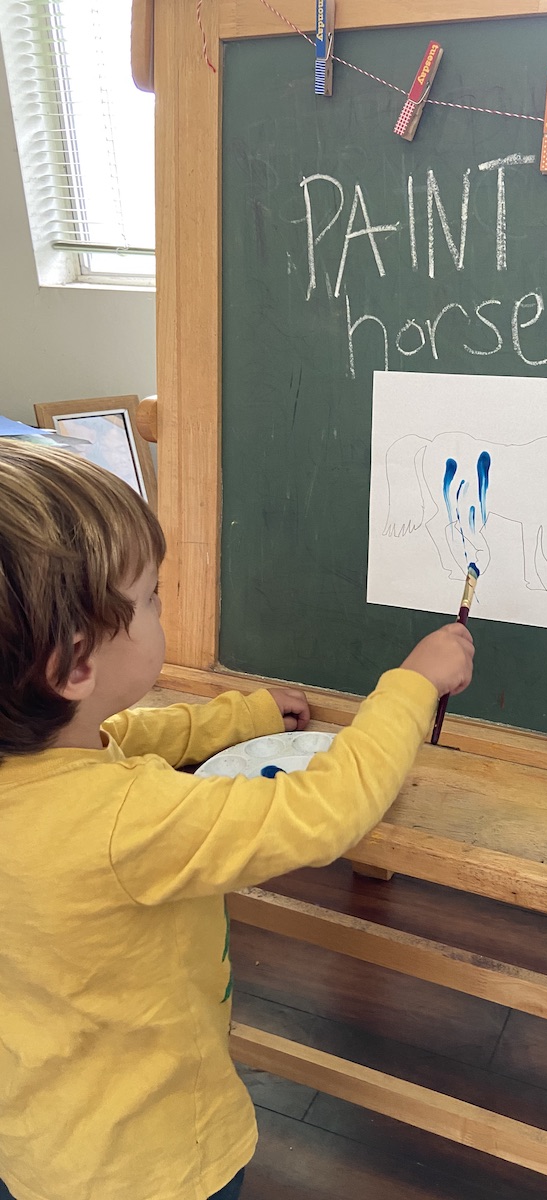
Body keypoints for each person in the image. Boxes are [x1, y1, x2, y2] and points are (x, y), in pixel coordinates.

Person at [0, 439, 474, 1200]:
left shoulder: (36, 765)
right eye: (151, 598)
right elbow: (326, 811)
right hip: (154, 1163)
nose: (162, 605)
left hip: (35, 1140)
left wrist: (236, 719)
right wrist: (412, 686)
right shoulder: (126, 824)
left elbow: (120, 735)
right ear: (75, 664)